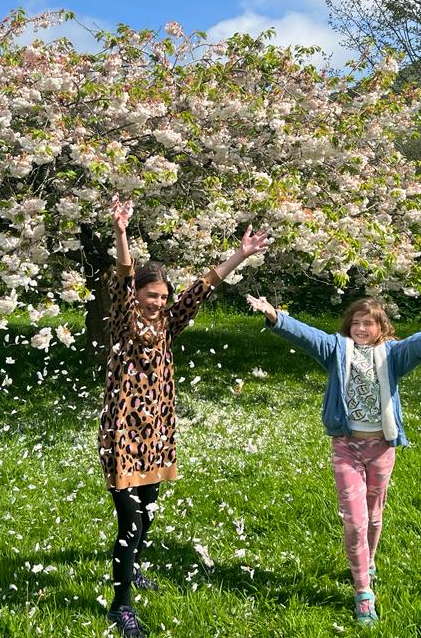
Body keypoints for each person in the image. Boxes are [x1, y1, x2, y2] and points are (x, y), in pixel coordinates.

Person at [245, 294, 421, 626]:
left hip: (381, 449)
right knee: (355, 521)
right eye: (356, 322)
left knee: (374, 517)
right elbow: (305, 335)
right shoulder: (336, 349)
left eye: (368, 323)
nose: (361, 328)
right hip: (346, 447)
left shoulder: (393, 354)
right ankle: (363, 592)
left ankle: (368, 561)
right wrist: (275, 316)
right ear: (349, 325)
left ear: (380, 327)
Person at [100, 194, 270, 637]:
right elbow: (122, 277)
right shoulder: (123, 318)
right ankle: (121, 605)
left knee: (149, 512)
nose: (157, 302)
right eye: (150, 295)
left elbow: (202, 288)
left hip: (156, 432)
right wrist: (121, 233)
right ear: (135, 295)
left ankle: (134, 565)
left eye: (162, 296)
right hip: (122, 433)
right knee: (130, 521)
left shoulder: (168, 324)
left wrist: (240, 254)